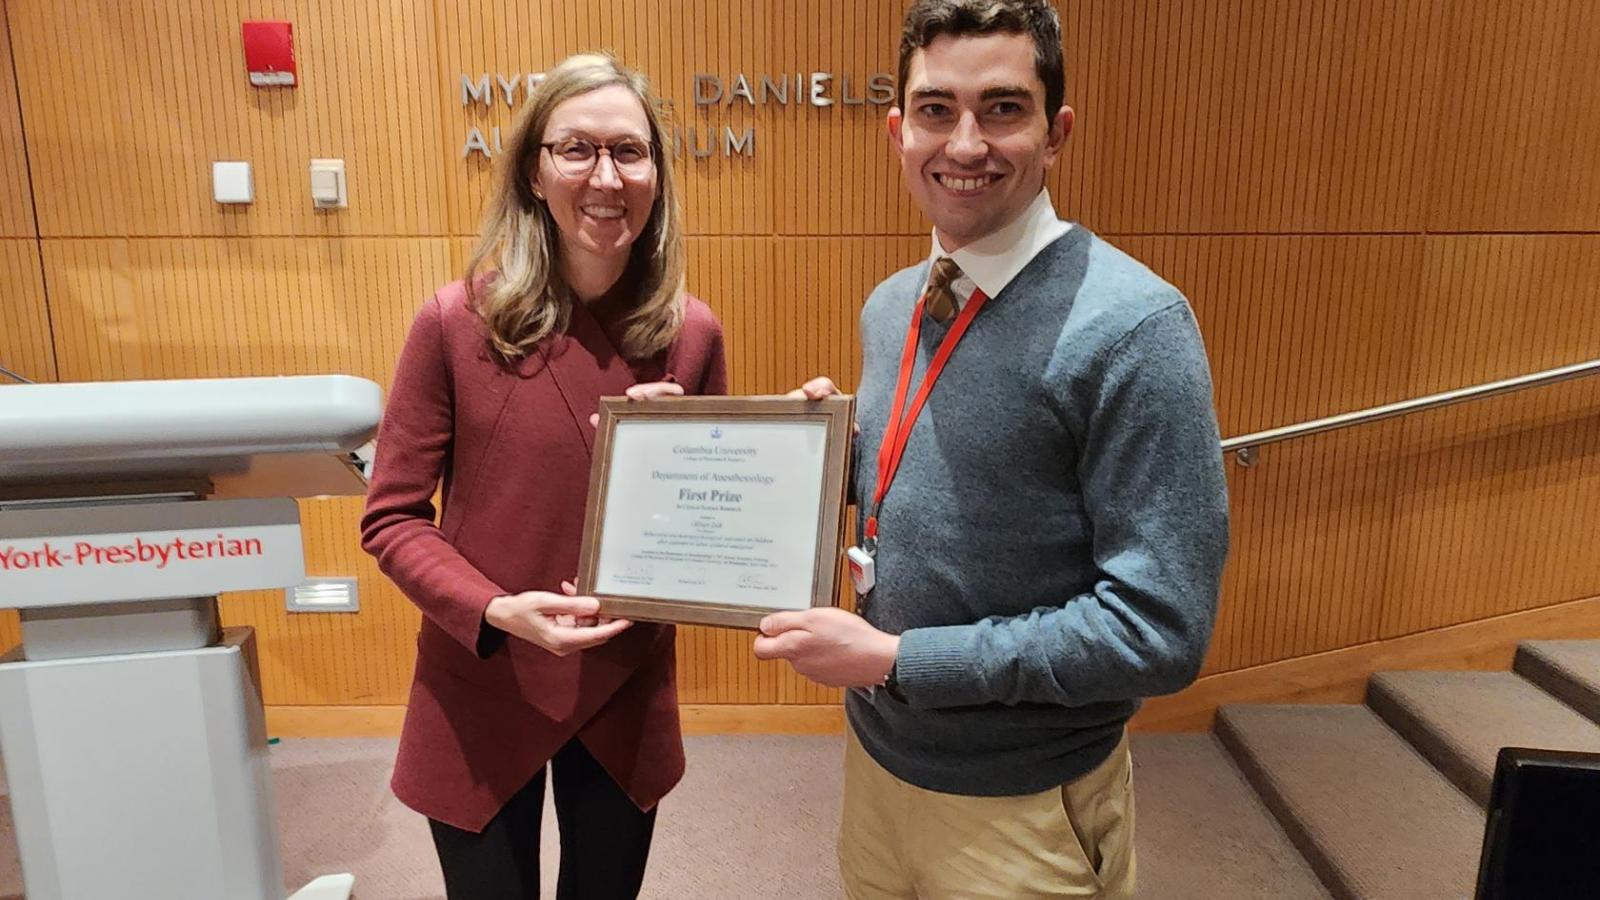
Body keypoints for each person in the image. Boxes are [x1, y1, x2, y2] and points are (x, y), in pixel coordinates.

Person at [753, 2, 1229, 896]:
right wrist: (816, 456)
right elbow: (944, 485)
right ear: (898, 131)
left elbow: (1159, 631)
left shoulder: (1135, 327)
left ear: (1057, 134)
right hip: (879, 765)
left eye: (1003, 109)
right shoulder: (892, 304)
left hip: (1028, 807)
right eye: (937, 110)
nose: (965, 144)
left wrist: (902, 663)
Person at [360, 53, 726, 900]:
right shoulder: (454, 322)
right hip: (483, 677)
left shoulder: (691, 334)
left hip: (622, 687)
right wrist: (493, 608)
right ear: (535, 169)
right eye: (578, 150)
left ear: (658, 175)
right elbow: (392, 519)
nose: (607, 176)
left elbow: (706, 527)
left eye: (630, 152)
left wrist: (698, 458)